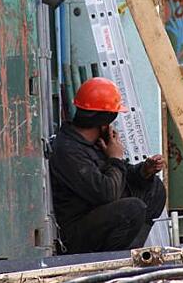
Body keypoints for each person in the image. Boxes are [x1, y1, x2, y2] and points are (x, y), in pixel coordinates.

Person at [50, 77, 166, 253]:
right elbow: (107, 194)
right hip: (76, 233)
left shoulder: (93, 142)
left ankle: (133, 253)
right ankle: (111, 261)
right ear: (105, 121)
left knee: (155, 189)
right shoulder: (69, 151)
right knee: (133, 209)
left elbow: (121, 176)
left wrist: (144, 171)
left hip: (95, 214)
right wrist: (115, 158)